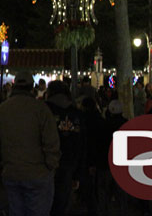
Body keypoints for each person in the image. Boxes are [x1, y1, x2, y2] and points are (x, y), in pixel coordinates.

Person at [0, 71, 60, 216]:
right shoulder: (40, 109)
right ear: (31, 87)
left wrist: (3, 162)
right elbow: (51, 142)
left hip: (11, 171)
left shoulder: (2, 110)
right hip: (37, 172)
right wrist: (51, 165)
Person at [45, 81, 84, 216]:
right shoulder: (76, 113)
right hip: (68, 163)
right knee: (61, 203)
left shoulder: (44, 110)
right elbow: (79, 144)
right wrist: (77, 173)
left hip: (45, 163)